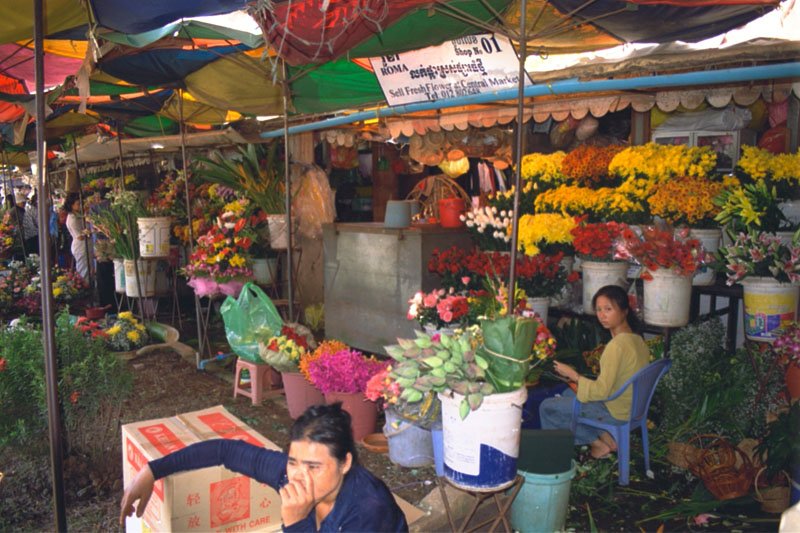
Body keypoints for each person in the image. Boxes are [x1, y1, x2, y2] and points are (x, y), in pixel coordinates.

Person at [120, 403, 408, 532]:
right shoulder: (289, 475)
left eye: (314, 467)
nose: (299, 476)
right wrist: (153, 470)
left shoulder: (369, 510)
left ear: (345, 462)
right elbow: (225, 450)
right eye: (294, 461)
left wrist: (296, 522)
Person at [540, 284, 650, 459]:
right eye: (598, 310)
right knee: (569, 393)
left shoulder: (617, 346)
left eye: (608, 309)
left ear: (624, 311)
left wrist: (573, 375)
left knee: (548, 407)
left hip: (615, 411)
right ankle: (607, 438)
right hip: (633, 407)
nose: (602, 315)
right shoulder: (637, 340)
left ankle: (594, 444)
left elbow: (601, 392)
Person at [64, 192, 89, 279]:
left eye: (82, 203)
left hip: (85, 245)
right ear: (71, 205)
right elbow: (80, 237)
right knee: (83, 271)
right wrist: (90, 231)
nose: (81, 206)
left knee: (88, 269)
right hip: (80, 247)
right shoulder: (72, 219)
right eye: (78, 204)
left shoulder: (78, 215)